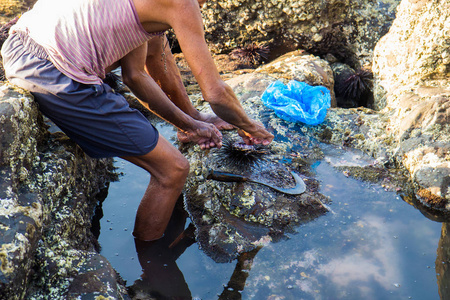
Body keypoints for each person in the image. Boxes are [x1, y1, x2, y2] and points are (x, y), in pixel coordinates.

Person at [1, 0, 274, 241]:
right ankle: (151, 265)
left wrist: (191, 125)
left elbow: (136, 76)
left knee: (153, 47)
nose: (204, 6)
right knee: (173, 170)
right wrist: (250, 126)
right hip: (53, 73)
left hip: (19, 44)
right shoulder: (182, 3)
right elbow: (215, 92)